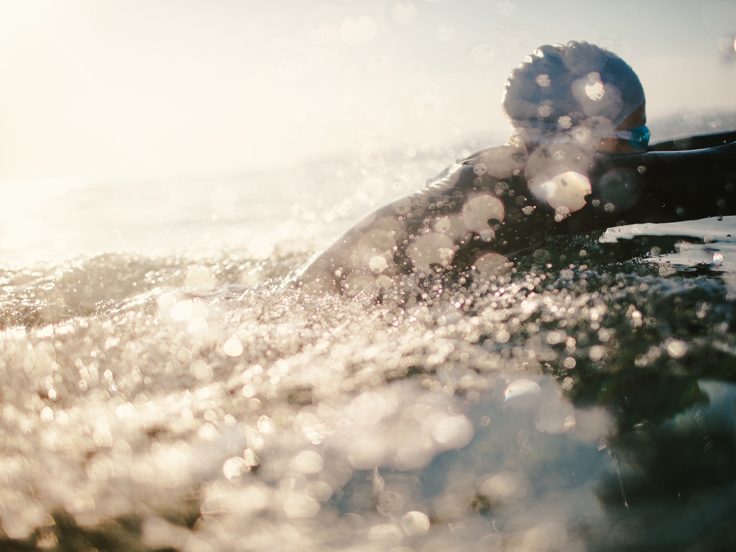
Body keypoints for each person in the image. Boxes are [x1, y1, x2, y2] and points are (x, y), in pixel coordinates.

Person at [290, 41, 735, 296]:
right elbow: (708, 178)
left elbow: (675, 158)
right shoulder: (554, 187)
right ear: (588, 133)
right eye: (637, 132)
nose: (643, 148)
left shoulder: (507, 173)